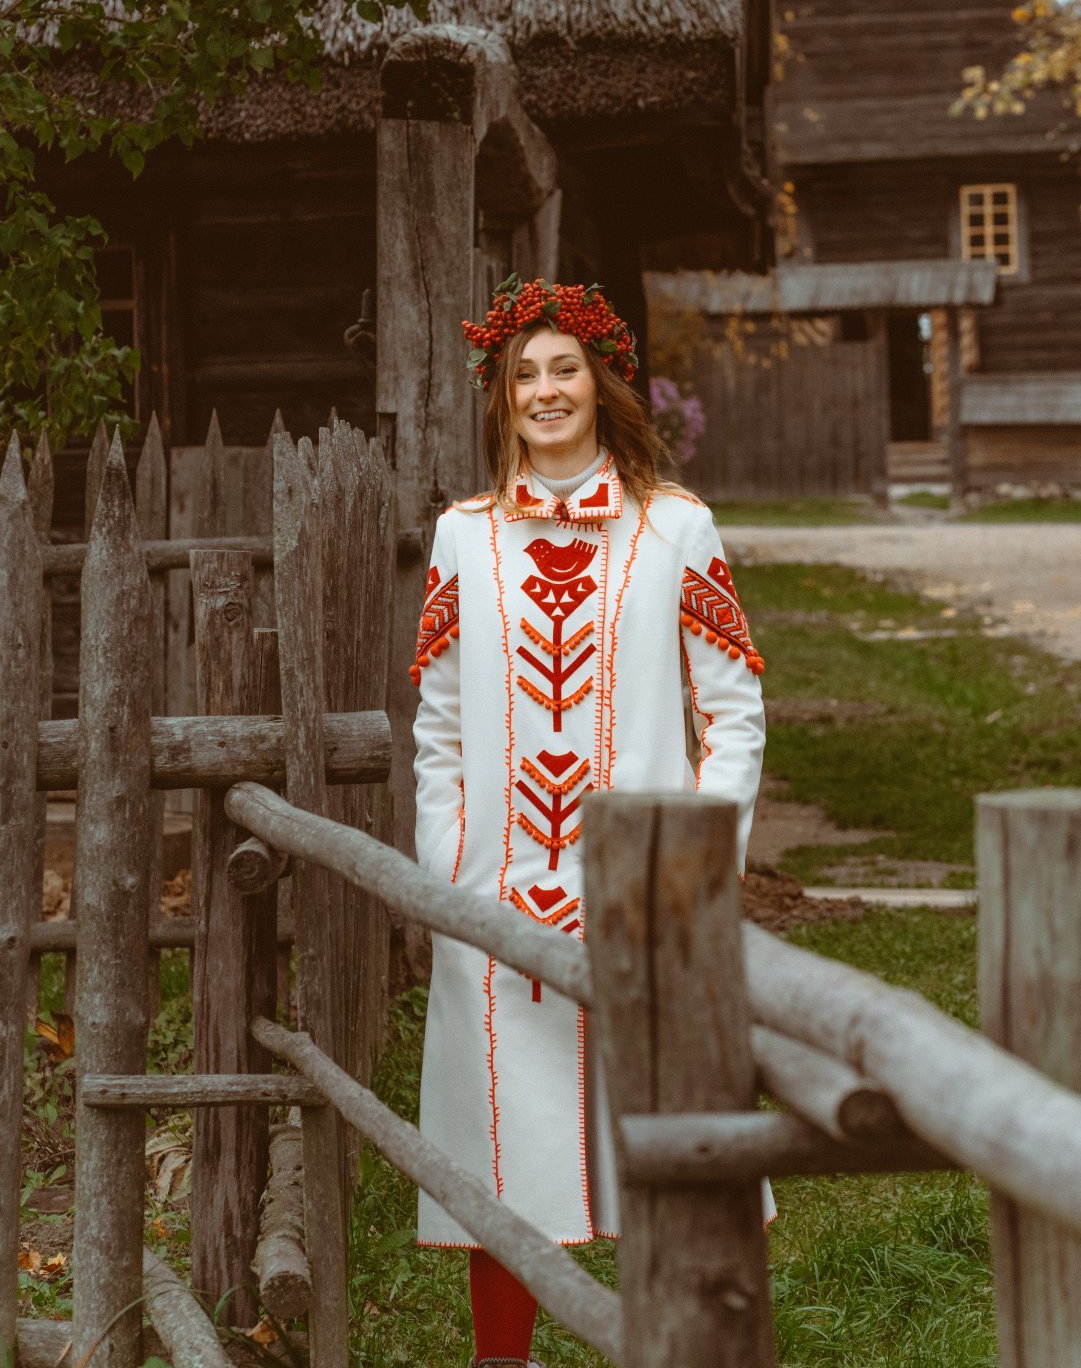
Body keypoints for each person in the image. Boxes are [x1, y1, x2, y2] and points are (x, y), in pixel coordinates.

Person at [411, 275, 767, 1368]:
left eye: (563, 367)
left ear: (602, 381)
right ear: (501, 398)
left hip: (646, 892)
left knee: (671, 1126)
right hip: (496, 891)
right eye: (523, 374)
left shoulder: (677, 527)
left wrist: (694, 868)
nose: (544, 390)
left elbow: (733, 713)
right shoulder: (462, 536)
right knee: (503, 1146)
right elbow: (437, 727)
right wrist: (450, 873)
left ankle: (695, 1347)